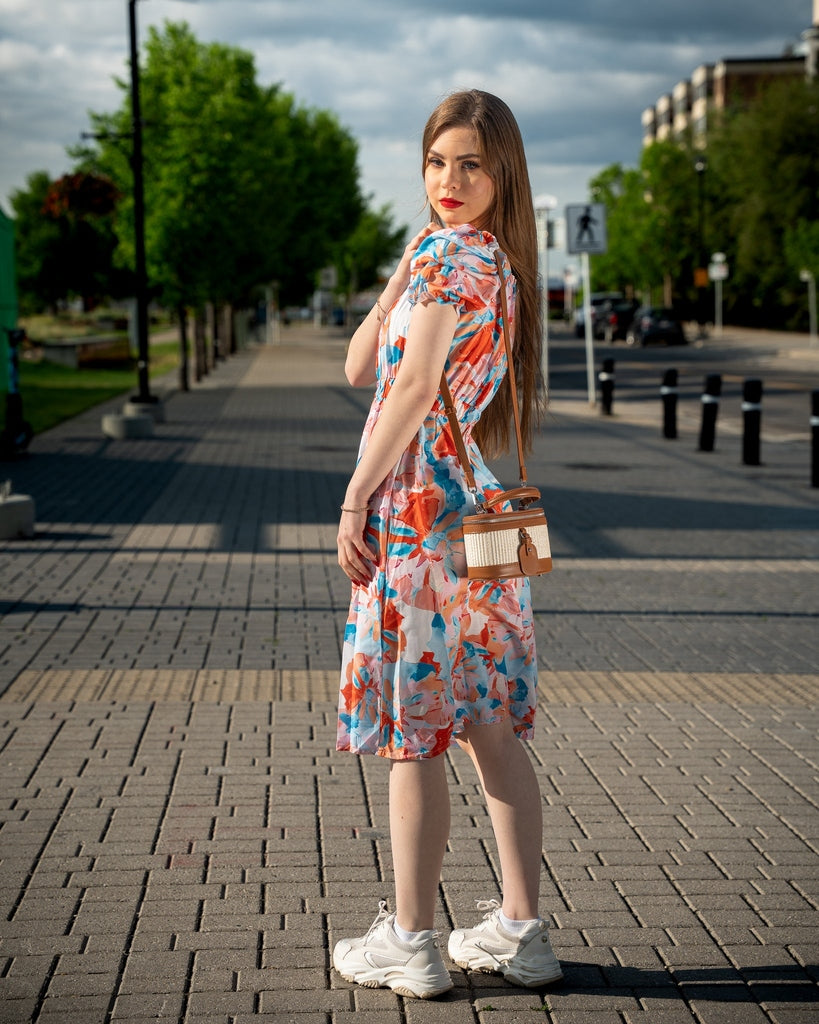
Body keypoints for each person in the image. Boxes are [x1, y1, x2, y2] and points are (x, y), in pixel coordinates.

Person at [333, 89, 562, 1000]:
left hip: (416, 518)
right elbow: (359, 364)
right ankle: (521, 933)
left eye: (470, 164)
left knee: (415, 733)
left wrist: (356, 495)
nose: (449, 180)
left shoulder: (448, 257)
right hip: (478, 519)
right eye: (436, 162)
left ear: (503, 173)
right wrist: (398, 278)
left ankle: (412, 941)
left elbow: (412, 384)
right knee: (486, 726)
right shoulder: (496, 266)